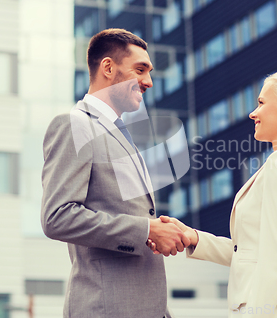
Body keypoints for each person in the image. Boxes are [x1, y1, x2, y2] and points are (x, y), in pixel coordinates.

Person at [150, 69, 277, 317]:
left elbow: (274, 259)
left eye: (260, 103)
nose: (253, 112)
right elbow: (252, 253)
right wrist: (194, 237)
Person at [41, 28, 190, 318]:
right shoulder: (75, 125)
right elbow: (56, 217)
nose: (148, 81)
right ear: (108, 67)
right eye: (140, 69)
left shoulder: (122, 136)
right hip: (104, 309)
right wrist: (146, 230)